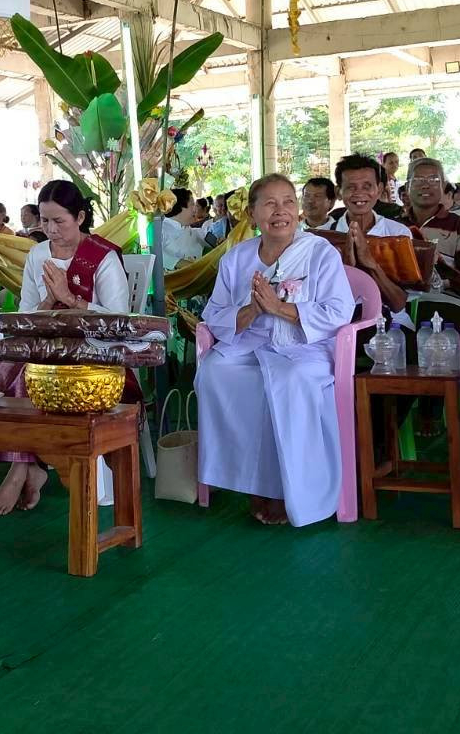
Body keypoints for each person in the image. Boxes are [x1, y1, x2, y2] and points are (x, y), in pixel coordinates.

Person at [197, 173, 353, 526]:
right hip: (251, 343)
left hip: (304, 347)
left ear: (297, 211)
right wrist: (253, 309)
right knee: (214, 371)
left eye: (287, 202)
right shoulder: (237, 258)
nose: (280, 211)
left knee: (289, 380)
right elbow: (215, 313)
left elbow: (338, 312)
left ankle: (292, 489)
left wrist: (280, 308)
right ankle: (248, 480)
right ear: (252, 214)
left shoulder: (320, 253)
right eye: (269, 203)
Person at [0, 179, 132, 515]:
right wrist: (49, 301)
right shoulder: (37, 254)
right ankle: (27, 464)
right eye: (45, 221)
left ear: (79, 217)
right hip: (45, 340)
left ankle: (21, 469)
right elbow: (26, 311)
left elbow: (118, 319)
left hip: (92, 348)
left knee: (31, 373)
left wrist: (69, 299)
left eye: (59, 221)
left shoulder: (102, 257)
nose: (51, 230)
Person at [328, 155, 413, 328]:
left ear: (380, 188)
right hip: (338, 322)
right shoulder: (325, 236)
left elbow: (398, 304)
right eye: (351, 187)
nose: (359, 193)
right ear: (339, 192)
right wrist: (348, 269)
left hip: (392, 323)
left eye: (367, 186)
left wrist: (371, 264)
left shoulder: (398, 234)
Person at [403, 156, 460, 303]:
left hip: (445, 306)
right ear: (407, 186)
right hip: (398, 306)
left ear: (444, 185)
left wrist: (441, 283)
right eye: (418, 180)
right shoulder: (394, 225)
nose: (425, 185)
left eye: (434, 180)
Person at [161, 188, 207, 269]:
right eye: (192, 204)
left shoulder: (190, 230)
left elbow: (204, 236)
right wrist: (178, 263)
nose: (195, 210)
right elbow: (154, 254)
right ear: (181, 207)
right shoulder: (161, 229)